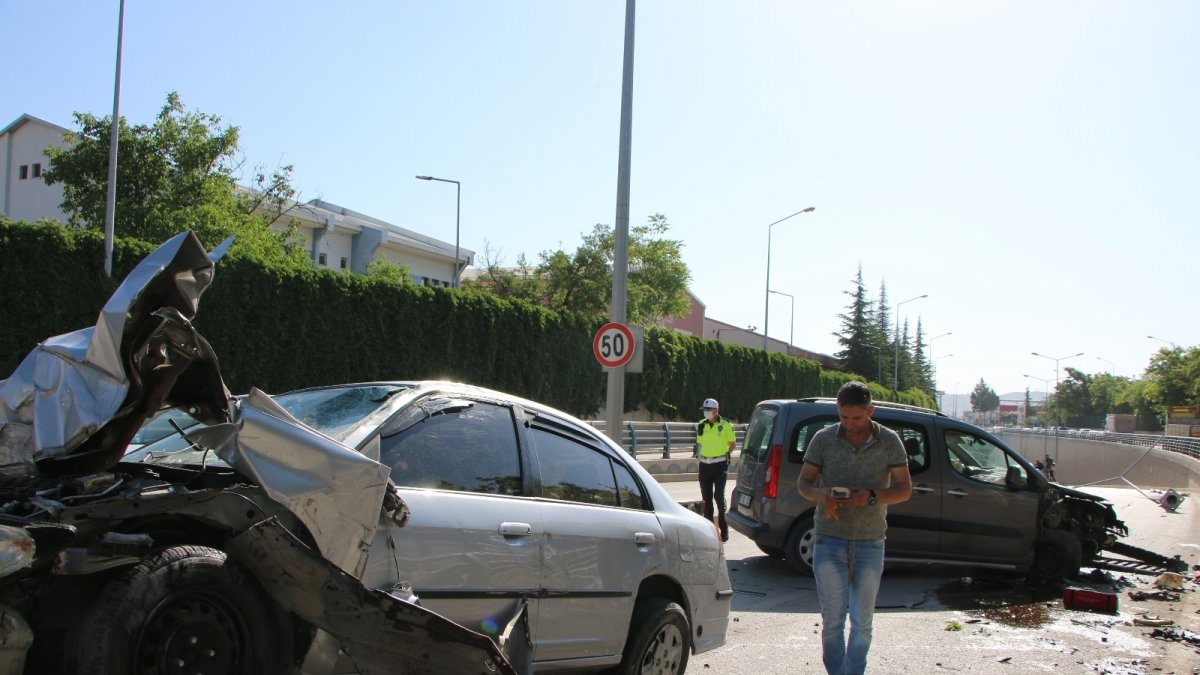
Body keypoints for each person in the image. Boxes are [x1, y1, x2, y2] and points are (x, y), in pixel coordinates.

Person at [796, 381, 912, 675]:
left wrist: (871, 497)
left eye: (857, 418)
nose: (850, 424)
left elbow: (904, 489)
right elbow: (803, 483)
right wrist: (821, 494)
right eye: (844, 417)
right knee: (833, 620)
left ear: (870, 411)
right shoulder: (823, 439)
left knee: (862, 622)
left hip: (870, 542)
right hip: (828, 539)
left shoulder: (889, 441)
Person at [696, 397, 736, 542]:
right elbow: (700, 443)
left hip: (720, 465)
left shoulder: (726, 425)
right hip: (704, 465)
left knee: (719, 497)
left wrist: (724, 455)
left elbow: (732, 444)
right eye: (704, 410)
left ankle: (724, 531)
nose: (706, 412)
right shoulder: (701, 425)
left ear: (716, 410)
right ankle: (710, 532)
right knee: (706, 499)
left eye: (708, 410)